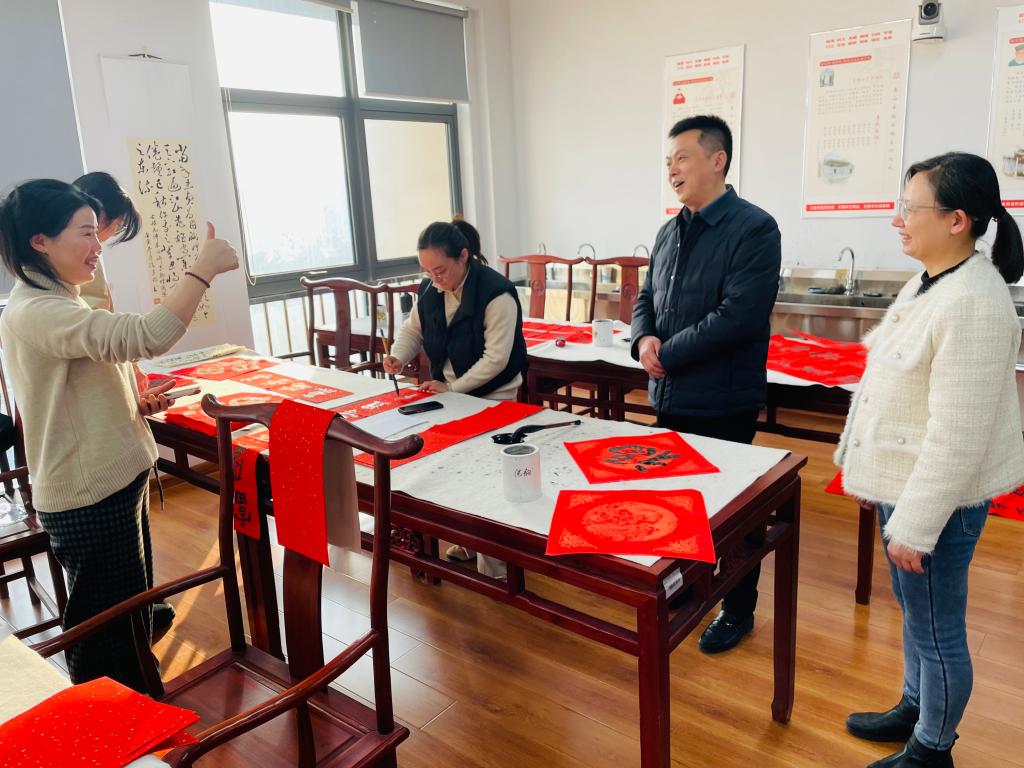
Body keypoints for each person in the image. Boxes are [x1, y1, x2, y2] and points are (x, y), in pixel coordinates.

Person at [0, 179, 238, 691]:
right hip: (88, 493)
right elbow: (146, 336)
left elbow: (81, 388)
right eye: (86, 232)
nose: (98, 245)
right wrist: (202, 269)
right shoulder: (37, 310)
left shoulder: (59, 299)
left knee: (130, 615)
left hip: (111, 478)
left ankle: (140, 711)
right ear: (40, 241)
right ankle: (120, 723)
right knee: (107, 638)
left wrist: (135, 399)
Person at [838, 153, 1024, 768]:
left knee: (939, 631)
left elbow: (957, 437)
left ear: (956, 220)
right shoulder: (933, 280)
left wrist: (915, 525)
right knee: (918, 616)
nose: (898, 219)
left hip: (939, 502)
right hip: (908, 485)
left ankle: (932, 749)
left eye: (909, 208)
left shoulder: (973, 300)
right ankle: (916, 706)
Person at [630, 114, 781, 654]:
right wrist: (643, 339)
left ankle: (737, 608)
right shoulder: (669, 230)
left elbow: (738, 316)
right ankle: (690, 585)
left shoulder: (754, 228)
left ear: (718, 160)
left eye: (682, 158)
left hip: (723, 398)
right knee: (677, 499)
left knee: (732, 510)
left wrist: (666, 354)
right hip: (671, 393)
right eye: (667, 161)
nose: (672, 169)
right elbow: (646, 297)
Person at [383, 218, 528, 575]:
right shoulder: (430, 289)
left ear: (463, 256)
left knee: (490, 476)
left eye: (441, 270)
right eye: (428, 271)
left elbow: (496, 359)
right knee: (457, 472)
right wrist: (397, 356)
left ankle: (497, 566)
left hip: (494, 397)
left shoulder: (496, 293)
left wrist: (453, 388)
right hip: (448, 396)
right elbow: (413, 330)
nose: (435, 279)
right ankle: (467, 541)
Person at [72, 171, 141, 312]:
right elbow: (94, 318)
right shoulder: (81, 256)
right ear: (101, 215)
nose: (99, 247)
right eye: (118, 226)